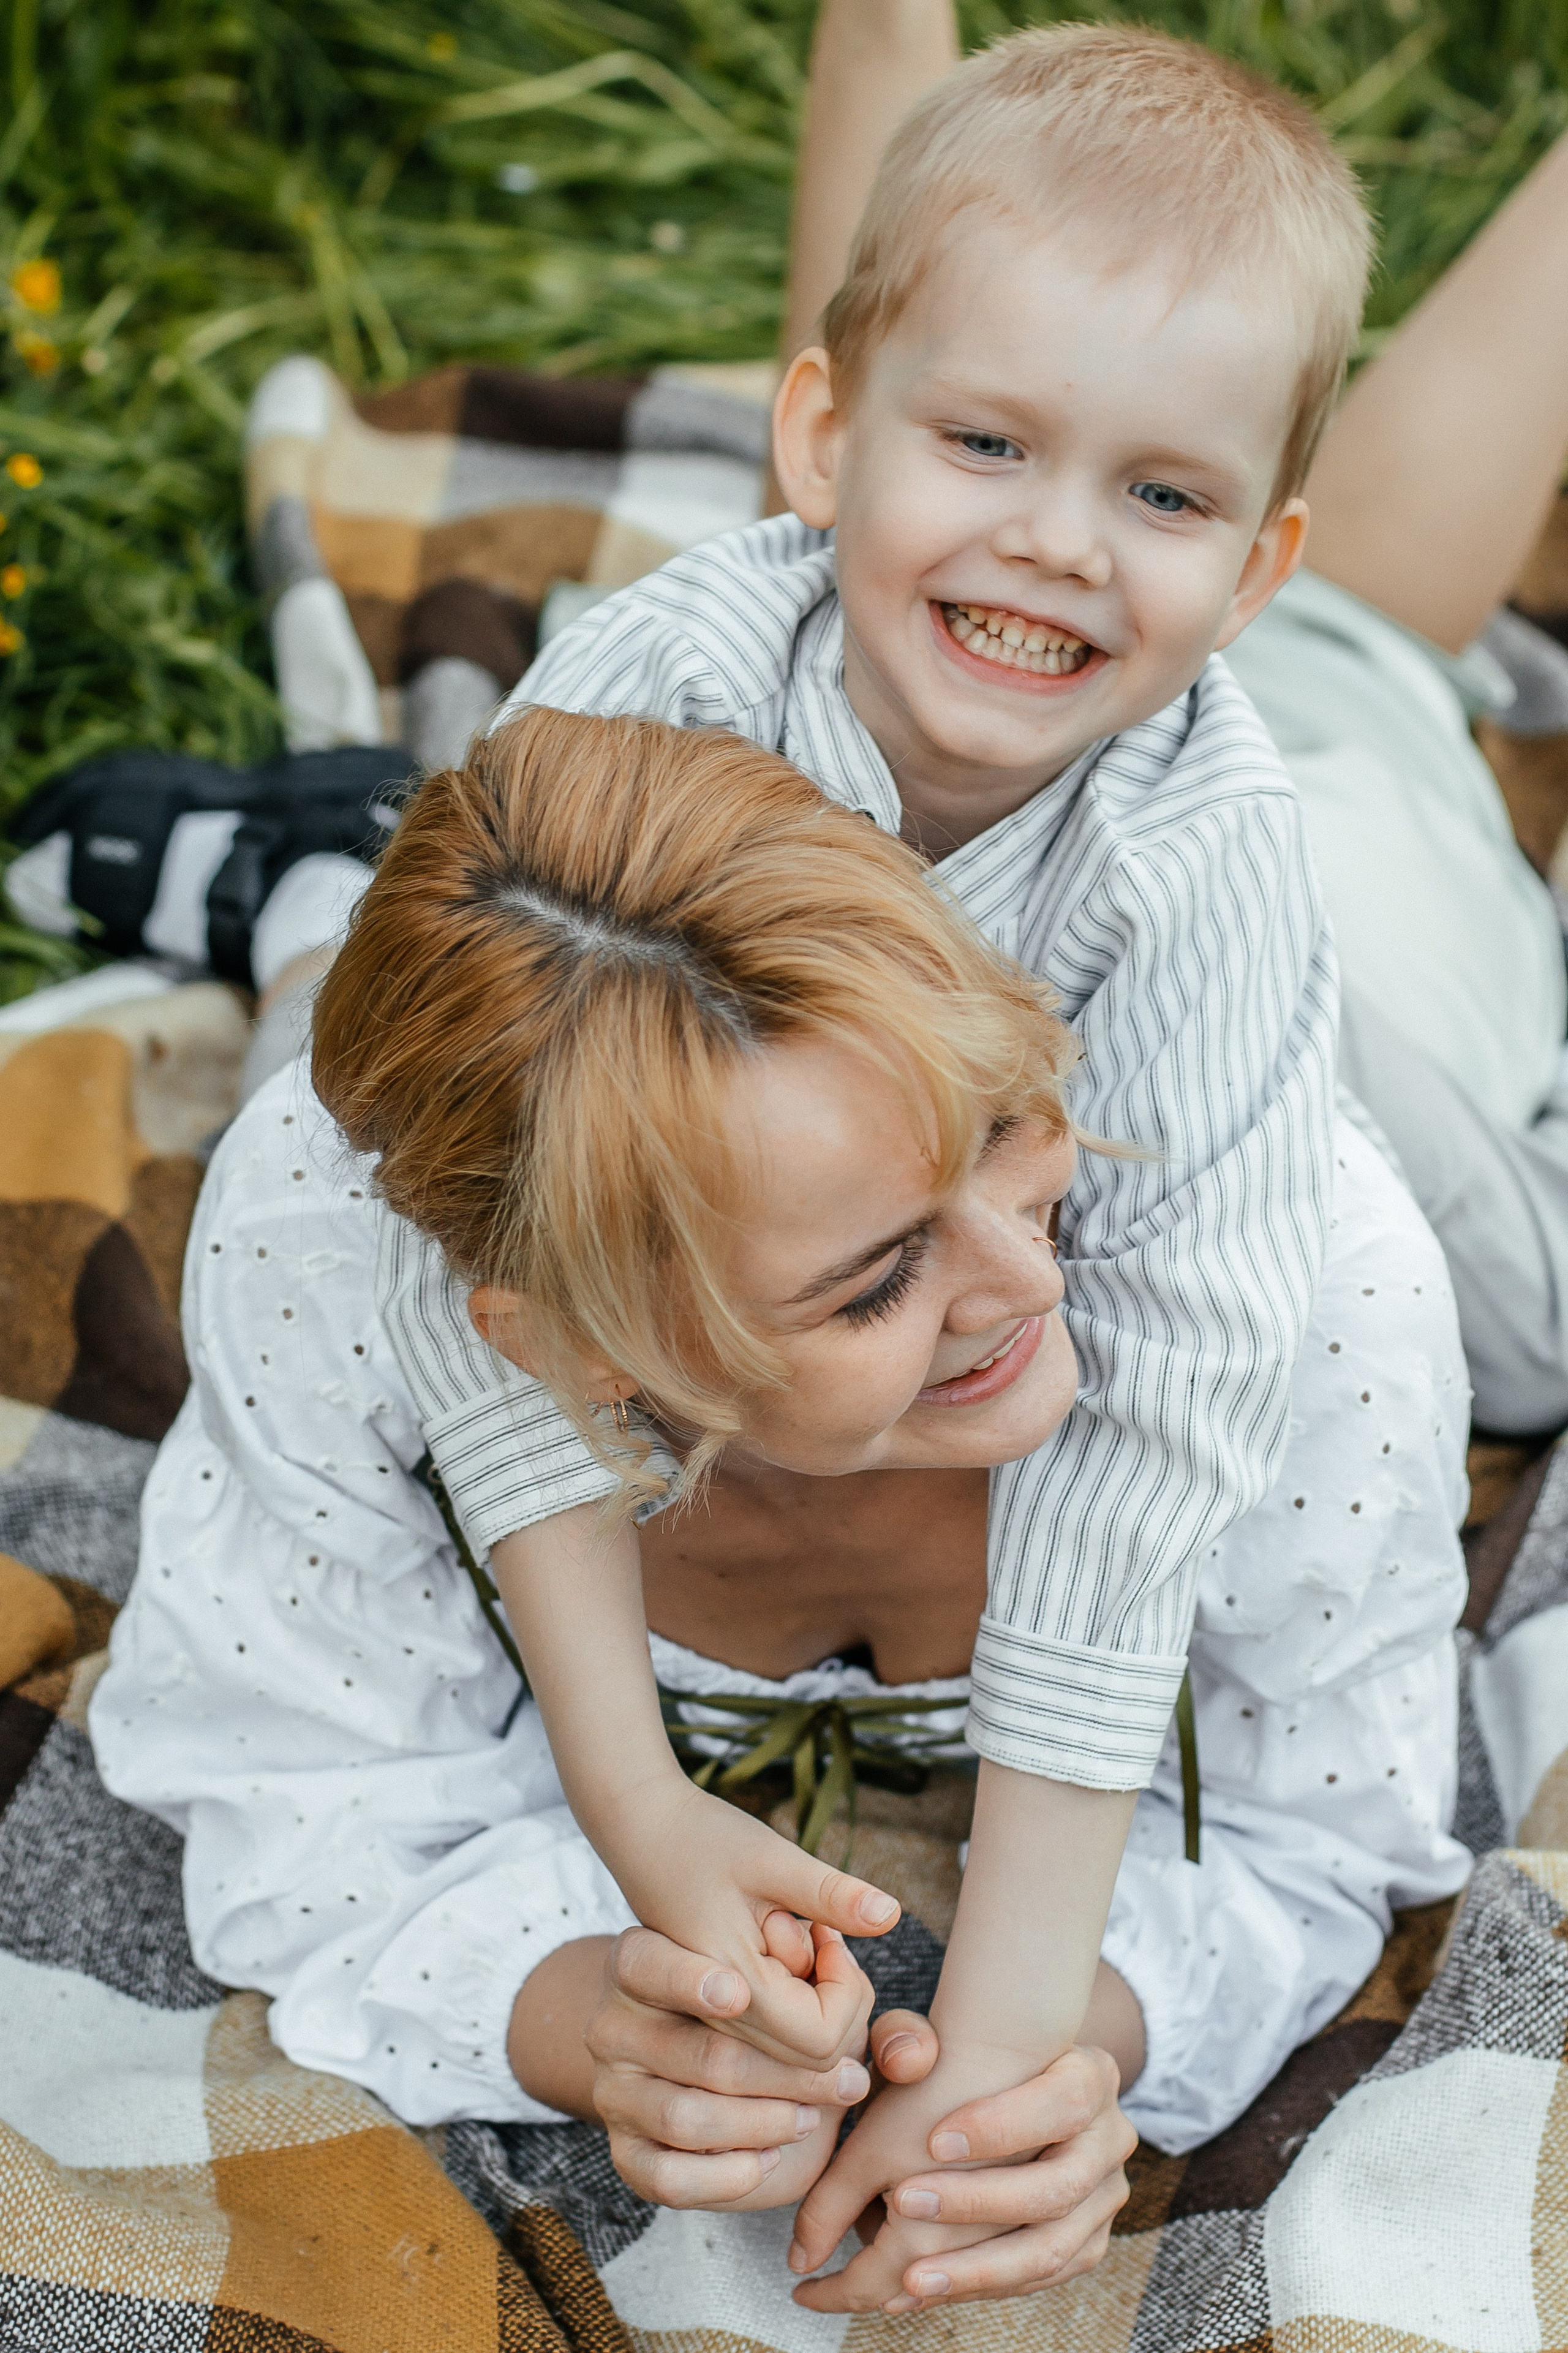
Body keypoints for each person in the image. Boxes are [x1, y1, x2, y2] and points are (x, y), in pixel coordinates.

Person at [94, 706, 1468, 2315]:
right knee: (322, 1082)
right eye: (879, 1274)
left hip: (1391, 894)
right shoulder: (328, 1263)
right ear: (581, 1356)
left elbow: (1325, 1824)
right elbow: (295, 1788)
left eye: (1010, 1120)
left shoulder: (1319, 1282)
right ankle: (306, 880)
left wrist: (1073, 2049)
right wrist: (595, 2020)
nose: (1034, 1279)